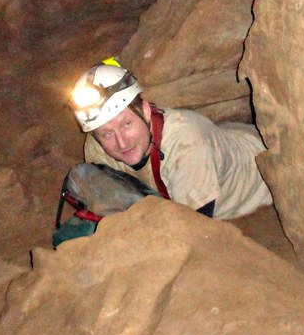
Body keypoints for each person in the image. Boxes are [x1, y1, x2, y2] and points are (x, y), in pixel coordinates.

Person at [68, 58, 273, 220]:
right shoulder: (97, 147)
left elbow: (194, 231)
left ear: (145, 111)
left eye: (126, 124)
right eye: (107, 134)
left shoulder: (187, 144)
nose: (122, 142)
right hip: (223, 140)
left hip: (263, 165)